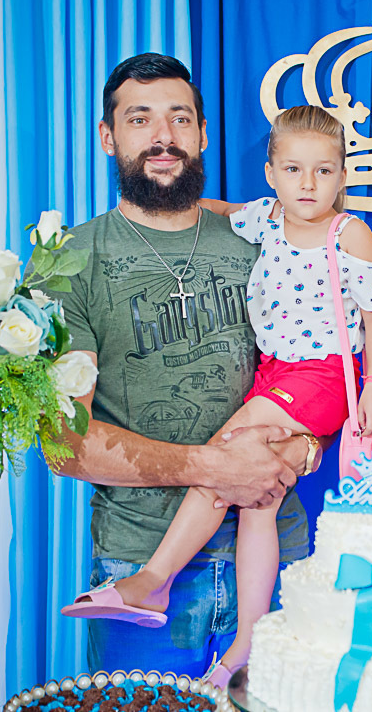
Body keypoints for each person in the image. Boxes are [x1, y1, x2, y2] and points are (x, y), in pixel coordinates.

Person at [63, 104, 372, 685]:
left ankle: (154, 580)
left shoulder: (350, 233)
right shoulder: (265, 218)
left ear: (343, 175)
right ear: (271, 174)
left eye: (323, 171)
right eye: (293, 170)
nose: (308, 184)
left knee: (227, 452)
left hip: (319, 374)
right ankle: (249, 639)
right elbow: (218, 210)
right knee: (255, 498)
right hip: (274, 370)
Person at [48, 53, 316, 674]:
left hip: (278, 553)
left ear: (201, 134)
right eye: (139, 119)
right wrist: (217, 467)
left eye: (179, 118)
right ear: (108, 137)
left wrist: (306, 448)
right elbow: (65, 443)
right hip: (138, 565)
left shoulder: (265, 242)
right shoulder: (69, 261)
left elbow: (315, 374)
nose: (163, 136)